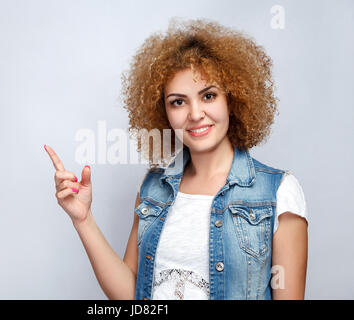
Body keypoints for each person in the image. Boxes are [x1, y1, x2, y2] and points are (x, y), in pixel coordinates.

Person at [44, 18, 308, 300]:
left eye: (208, 96)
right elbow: (131, 295)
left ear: (232, 99)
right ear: (164, 112)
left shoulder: (278, 192)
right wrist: (83, 220)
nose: (195, 114)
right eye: (178, 102)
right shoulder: (152, 187)